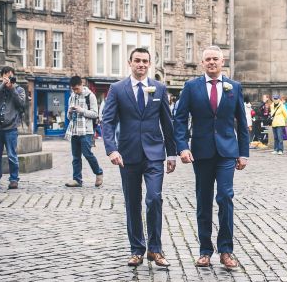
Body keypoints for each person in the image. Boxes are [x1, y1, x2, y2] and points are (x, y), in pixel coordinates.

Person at [174, 45, 250, 270]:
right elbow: (179, 119)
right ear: (202, 63)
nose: (211, 62)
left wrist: (243, 152)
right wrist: (182, 147)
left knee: (225, 197)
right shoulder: (191, 87)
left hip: (227, 151)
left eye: (215, 59)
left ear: (223, 61)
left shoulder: (233, 87)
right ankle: (205, 251)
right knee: (203, 201)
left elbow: (242, 122)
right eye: (207, 59)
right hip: (201, 152)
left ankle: (226, 250)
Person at [101, 47, 177, 268]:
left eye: (145, 61)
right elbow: (108, 122)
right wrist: (111, 149)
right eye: (137, 61)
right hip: (128, 155)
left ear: (149, 63)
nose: (141, 64)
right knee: (132, 203)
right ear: (130, 63)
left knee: (154, 199)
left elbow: (167, 123)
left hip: (154, 154)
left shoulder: (159, 88)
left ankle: (155, 249)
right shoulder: (117, 89)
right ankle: (137, 250)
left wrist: (171, 153)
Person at [0, 66, 27, 189]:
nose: (8, 78)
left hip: (11, 127)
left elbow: (21, 103)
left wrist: (12, 88)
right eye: (6, 76)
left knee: (12, 155)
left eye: (10, 76)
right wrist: (3, 85)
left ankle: (14, 179)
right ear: (2, 76)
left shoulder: (19, 90)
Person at [65, 76, 104, 188]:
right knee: (75, 157)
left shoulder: (90, 96)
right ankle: (77, 179)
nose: (75, 91)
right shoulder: (72, 97)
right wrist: (69, 112)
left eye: (77, 89)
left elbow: (95, 114)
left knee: (87, 154)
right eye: (73, 89)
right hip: (74, 130)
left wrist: (81, 110)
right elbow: (69, 118)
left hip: (86, 131)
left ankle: (99, 172)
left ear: (81, 85)